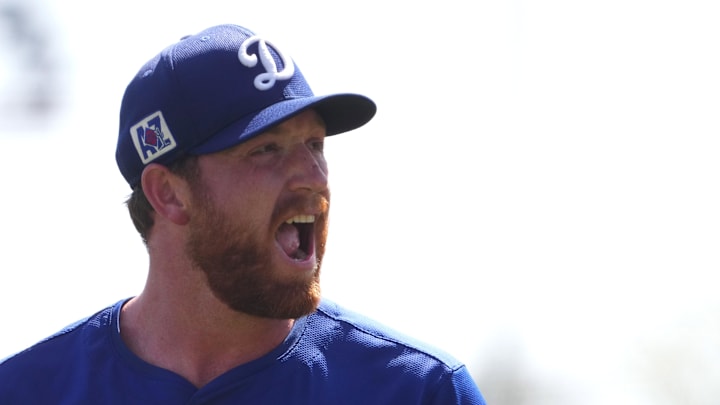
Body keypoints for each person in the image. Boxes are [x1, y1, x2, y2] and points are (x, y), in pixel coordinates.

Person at [0, 24, 486, 404]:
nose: (313, 177)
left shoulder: (419, 393)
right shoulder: (25, 392)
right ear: (168, 194)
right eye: (267, 149)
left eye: (315, 144)